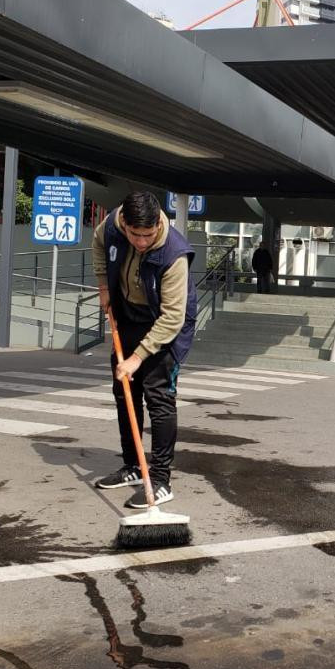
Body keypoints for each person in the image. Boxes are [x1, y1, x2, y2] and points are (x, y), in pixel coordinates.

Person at [91, 191, 197, 508]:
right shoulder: (112, 225)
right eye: (134, 235)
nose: (140, 242)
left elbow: (172, 317)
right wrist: (104, 286)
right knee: (124, 391)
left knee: (159, 396)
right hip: (128, 315)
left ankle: (161, 479)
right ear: (125, 223)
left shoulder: (173, 254)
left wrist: (138, 357)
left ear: (156, 227)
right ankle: (134, 466)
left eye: (147, 236)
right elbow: (98, 244)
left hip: (164, 324)